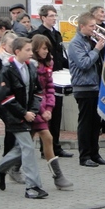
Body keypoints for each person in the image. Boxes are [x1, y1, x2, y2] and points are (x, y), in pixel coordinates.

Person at [0, 37, 48, 199]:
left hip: (28, 115)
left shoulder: (30, 67)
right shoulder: (7, 70)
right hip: (14, 116)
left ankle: (0, 169)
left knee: (21, 148)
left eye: (31, 50)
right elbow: (5, 97)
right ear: (17, 52)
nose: (31, 53)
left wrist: (32, 111)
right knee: (28, 148)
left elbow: (38, 92)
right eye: (28, 50)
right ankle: (32, 186)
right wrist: (23, 113)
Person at [29, 5, 73, 158]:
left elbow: (60, 55)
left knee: (56, 111)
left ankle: (56, 145)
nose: (54, 18)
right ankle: (45, 148)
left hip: (57, 75)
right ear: (43, 18)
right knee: (43, 115)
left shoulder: (57, 34)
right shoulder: (36, 34)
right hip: (41, 76)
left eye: (55, 15)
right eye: (51, 16)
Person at [31, 35, 73, 189]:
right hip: (33, 108)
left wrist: (49, 108)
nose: (46, 51)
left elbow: (49, 88)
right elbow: (34, 92)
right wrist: (43, 110)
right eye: (43, 48)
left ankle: (58, 176)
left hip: (42, 108)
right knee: (34, 140)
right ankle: (6, 167)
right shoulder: (32, 67)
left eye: (47, 49)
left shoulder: (48, 65)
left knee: (42, 139)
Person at [68, 12, 105, 167]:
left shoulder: (90, 40)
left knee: (95, 123)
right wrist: (97, 49)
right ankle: (84, 156)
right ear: (82, 26)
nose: (95, 29)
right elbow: (84, 63)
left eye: (95, 26)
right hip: (84, 87)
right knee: (86, 123)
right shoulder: (75, 43)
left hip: (96, 85)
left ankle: (95, 154)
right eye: (91, 26)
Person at [0, 31, 24, 184]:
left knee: (14, 133)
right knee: (12, 131)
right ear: (3, 45)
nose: (14, 48)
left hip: (16, 100)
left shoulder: (18, 59)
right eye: (11, 45)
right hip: (2, 101)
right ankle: (8, 166)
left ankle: (5, 165)